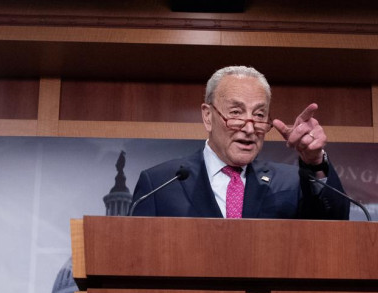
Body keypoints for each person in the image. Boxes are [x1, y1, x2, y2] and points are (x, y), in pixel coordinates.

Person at [131, 66, 350, 219]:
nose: (249, 128)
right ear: (208, 116)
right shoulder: (159, 183)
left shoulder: (291, 183)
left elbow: (335, 226)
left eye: (259, 114)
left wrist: (315, 162)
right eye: (236, 113)